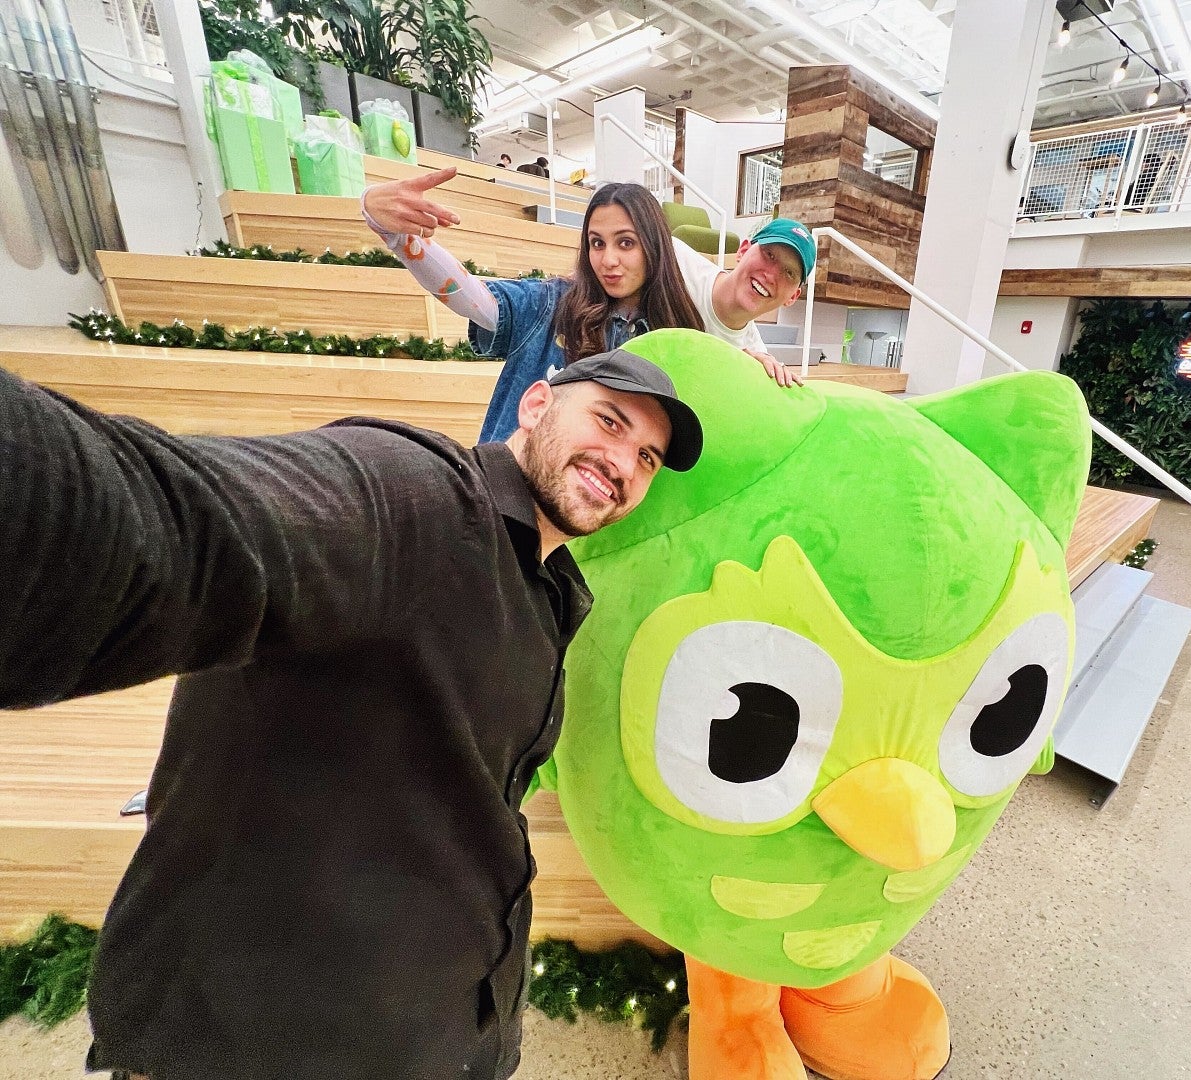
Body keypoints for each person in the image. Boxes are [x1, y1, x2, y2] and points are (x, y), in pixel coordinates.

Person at [0, 347, 702, 1080]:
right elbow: (178, 522)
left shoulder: (551, 590)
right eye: (609, 422)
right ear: (533, 406)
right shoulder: (415, 492)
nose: (623, 462)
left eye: (647, 457)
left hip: (426, 1033)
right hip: (252, 1042)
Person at [362, 170, 809, 442]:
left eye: (626, 243)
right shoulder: (554, 305)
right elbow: (475, 300)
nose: (608, 260)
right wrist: (397, 237)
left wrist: (754, 373)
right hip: (506, 508)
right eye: (597, 243)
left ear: (655, 248)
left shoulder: (679, 337)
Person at [669, 217, 816, 387]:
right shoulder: (672, 261)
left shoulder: (755, 359)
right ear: (743, 250)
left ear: (793, 297)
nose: (771, 276)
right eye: (769, 255)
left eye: (789, 273)